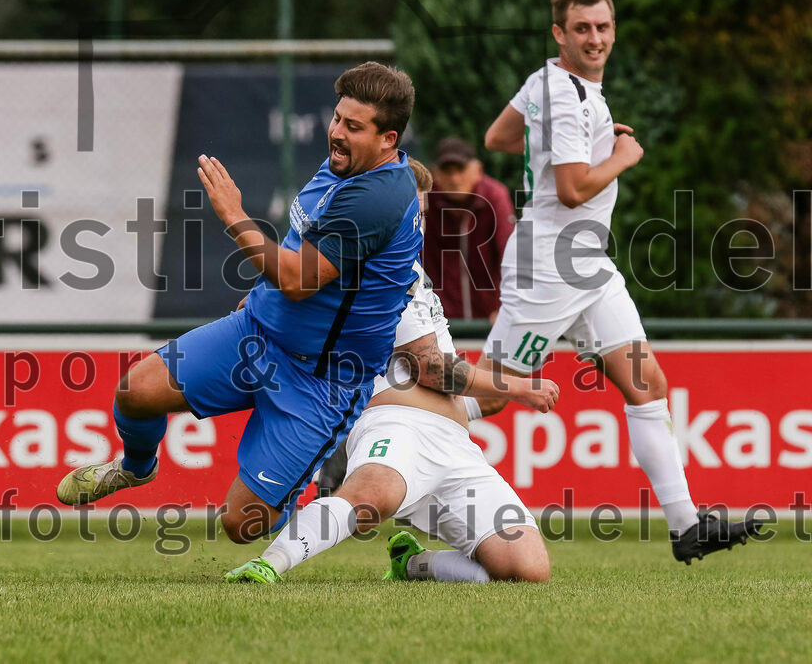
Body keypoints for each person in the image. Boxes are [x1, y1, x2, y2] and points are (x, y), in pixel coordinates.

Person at [57, 62, 424, 543]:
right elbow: (299, 241)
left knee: (241, 525)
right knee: (135, 392)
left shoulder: (378, 196)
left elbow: (298, 280)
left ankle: (306, 491)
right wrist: (256, 296)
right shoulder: (343, 161)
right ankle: (135, 467)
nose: (336, 132)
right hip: (257, 333)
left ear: (388, 139)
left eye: (353, 127)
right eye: (337, 118)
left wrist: (233, 215)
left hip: (321, 379)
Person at [475, 0, 761, 564]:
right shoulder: (565, 94)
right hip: (549, 265)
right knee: (494, 394)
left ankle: (687, 527)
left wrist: (567, 140)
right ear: (559, 32)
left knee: (645, 380)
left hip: (585, 265)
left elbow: (499, 136)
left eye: (603, 26)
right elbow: (574, 189)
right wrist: (622, 156)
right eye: (581, 28)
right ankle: (381, 437)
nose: (595, 37)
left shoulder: (547, 83)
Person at [224, 159, 559, 584]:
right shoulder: (370, 268)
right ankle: (270, 564)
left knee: (528, 570)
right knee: (372, 493)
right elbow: (433, 370)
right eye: (410, 212)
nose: (416, 223)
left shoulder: (407, 267)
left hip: (455, 446)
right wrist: (519, 389)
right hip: (394, 425)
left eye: (421, 213)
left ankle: (414, 565)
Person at [422, 136, 515, 323]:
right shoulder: (424, 201)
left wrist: (507, 306)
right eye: (447, 171)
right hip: (437, 321)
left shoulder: (495, 196)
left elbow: (510, 254)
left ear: (477, 170)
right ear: (435, 174)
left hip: (490, 319)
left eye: (460, 169)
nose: (454, 178)